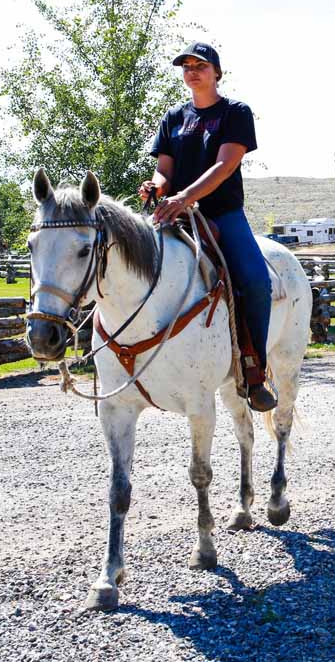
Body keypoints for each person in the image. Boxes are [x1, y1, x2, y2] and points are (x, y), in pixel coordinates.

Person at [139, 41, 276, 411]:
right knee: (127, 261)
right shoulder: (172, 118)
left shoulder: (235, 112)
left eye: (200, 65)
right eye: (186, 66)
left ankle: (254, 370)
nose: (192, 71)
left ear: (216, 72)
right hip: (175, 213)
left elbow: (225, 166)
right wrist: (158, 186)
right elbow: (163, 169)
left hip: (222, 214)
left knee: (254, 281)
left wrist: (184, 196)